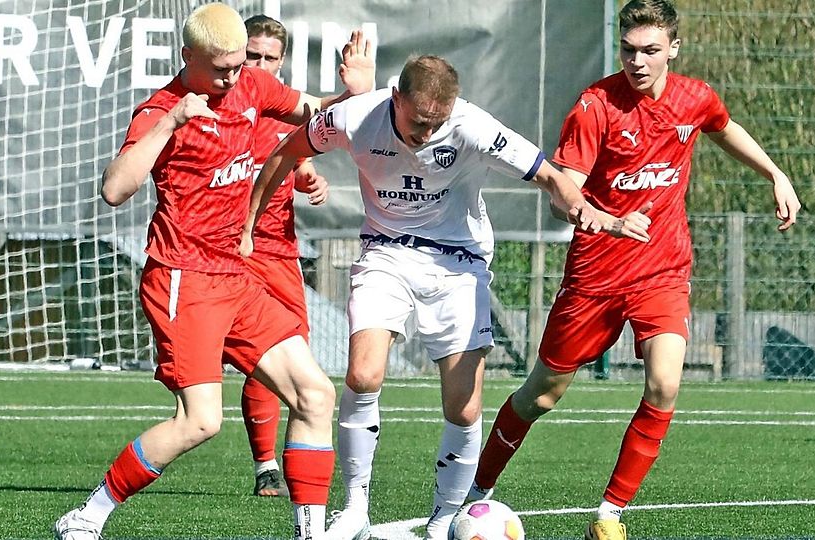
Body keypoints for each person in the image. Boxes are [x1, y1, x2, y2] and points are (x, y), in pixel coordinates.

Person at [466, 2, 801, 539]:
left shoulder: (695, 98)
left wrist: (775, 174)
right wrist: (607, 219)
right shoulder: (595, 106)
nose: (638, 61)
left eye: (649, 50)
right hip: (594, 277)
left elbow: (724, 126)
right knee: (541, 394)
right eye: (628, 50)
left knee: (665, 383)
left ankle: (609, 516)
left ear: (673, 48)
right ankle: (476, 492)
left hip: (662, 272)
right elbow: (561, 197)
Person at [242, 54, 601, 540]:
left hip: (459, 264)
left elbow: (550, 176)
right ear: (396, 98)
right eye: (417, 122)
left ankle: (442, 521)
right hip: (385, 252)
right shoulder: (355, 116)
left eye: (437, 124)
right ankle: (354, 509)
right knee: (362, 374)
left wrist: (582, 207)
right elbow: (288, 148)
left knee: (464, 407)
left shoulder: (473, 125)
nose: (426, 134)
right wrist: (247, 225)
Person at [52, 4, 373, 540]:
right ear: (187, 58)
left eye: (238, 65)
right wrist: (169, 123)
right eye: (221, 68)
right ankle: (87, 517)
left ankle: (310, 534)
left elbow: (316, 111)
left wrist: (354, 93)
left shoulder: (251, 85)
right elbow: (114, 189)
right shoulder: (162, 108)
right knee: (200, 421)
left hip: (236, 275)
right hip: (184, 277)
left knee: (315, 395)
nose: (232, 77)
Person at [237, 14, 330, 498]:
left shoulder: (288, 108)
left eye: (269, 58)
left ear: (282, 61)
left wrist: (311, 177)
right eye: (252, 55)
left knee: (290, 352)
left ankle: (278, 470)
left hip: (280, 250)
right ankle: (265, 463)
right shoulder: (229, 103)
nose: (259, 65)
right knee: (260, 355)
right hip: (234, 249)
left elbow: (299, 159)